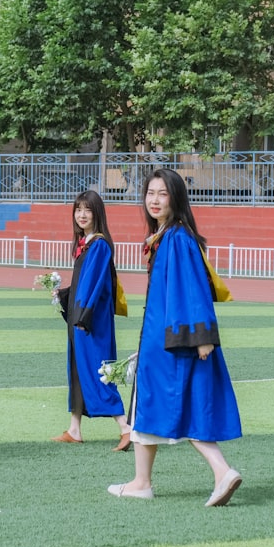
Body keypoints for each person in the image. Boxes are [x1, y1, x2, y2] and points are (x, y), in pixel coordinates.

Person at [107, 168, 243, 506]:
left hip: (174, 343)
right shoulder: (166, 237)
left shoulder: (178, 238)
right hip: (161, 340)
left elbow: (192, 290)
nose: (154, 200)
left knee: (178, 407)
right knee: (151, 408)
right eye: (150, 193)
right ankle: (142, 481)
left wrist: (202, 337)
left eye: (162, 193)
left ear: (176, 198)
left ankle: (221, 470)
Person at [51, 191, 131, 451]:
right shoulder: (86, 244)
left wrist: (83, 316)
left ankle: (125, 427)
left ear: (97, 213)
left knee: (99, 371)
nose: (82, 215)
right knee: (77, 369)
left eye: (88, 210)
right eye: (78, 210)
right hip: (80, 317)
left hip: (90, 321)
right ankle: (75, 429)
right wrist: (63, 295)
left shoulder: (99, 245)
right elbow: (81, 285)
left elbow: (94, 285)